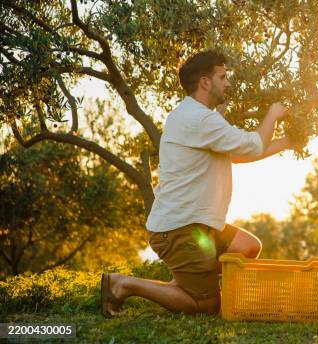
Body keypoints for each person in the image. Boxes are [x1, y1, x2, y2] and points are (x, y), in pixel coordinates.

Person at [101, 50, 298, 317]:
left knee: (247, 247)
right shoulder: (199, 119)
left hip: (197, 225)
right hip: (179, 229)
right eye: (223, 76)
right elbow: (253, 145)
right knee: (207, 307)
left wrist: (288, 142)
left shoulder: (198, 117)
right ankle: (123, 283)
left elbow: (238, 155)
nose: (228, 83)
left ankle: (188, 282)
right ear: (205, 82)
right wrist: (273, 114)